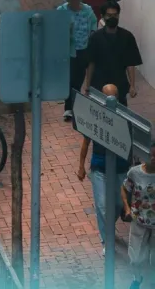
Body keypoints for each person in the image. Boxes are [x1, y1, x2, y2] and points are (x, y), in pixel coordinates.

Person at [77, 83, 131, 249]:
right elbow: (86, 142)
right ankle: (106, 242)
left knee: (117, 204)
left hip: (121, 168)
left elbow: (132, 145)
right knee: (102, 205)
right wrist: (81, 166)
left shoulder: (126, 119)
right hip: (100, 167)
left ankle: (108, 228)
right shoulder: (96, 117)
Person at [83, 1, 141, 107]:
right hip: (98, 82)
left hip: (119, 81)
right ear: (103, 16)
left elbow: (130, 63)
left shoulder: (127, 37)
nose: (112, 18)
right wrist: (88, 85)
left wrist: (132, 85)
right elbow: (91, 62)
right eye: (109, 15)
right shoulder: (95, 38)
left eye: (115, 15)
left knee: (121, 112)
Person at [60, 0, 99, 120]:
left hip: (84, 48)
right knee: (70, 79)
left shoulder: (87, 10)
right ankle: (69, 107)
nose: (74, 2)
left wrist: (93, 33)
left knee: (79, 78)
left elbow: (94, 22)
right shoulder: (62, 10)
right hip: (69, 50)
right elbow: (56, 27)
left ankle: (74, 105)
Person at [123, 141, 155, 288]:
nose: (153, 159)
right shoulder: (135, 172)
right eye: (151, 155)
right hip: (139, 221)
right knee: (135, 257)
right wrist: (127, 208)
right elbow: (124, 188)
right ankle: (137, 278)